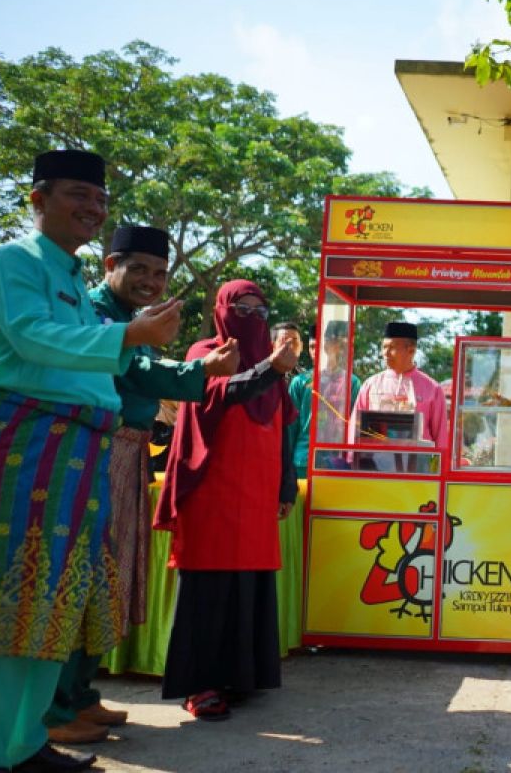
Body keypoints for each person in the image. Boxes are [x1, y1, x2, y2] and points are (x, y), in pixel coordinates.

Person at [0, 150, 181, 773]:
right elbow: (30, 338)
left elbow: (112, 363)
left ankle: (24, 744)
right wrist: (128, 338)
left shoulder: (69, 277)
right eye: (77, 195)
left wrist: (140, 346)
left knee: (55, 603)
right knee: (8, 602)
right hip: (29, 442)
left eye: (98, 199)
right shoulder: (15, 260)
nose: (92, 208)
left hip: (80, 451)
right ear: (37, 199)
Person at [34, 226, 243, 746]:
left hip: (126, 454)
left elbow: (149, 361)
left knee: (111, 576)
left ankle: (80, 694)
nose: (151, 281)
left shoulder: (129, 319)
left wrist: (201, 368)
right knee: (81, 575)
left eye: (160, 272)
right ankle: (55, 708)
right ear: (110, 266)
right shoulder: (98, 314)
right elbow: (142, 369)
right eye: (140, 270)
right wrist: (202, 369)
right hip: (94, 452)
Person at [154, 279, 298, 722]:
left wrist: (285, 483)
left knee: (248, 586)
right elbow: (220, 391)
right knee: (209, 588)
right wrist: (269, 371)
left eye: (260, 311)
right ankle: (200, 686)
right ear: (222, 309)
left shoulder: (272, 368)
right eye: (243, 308)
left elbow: (282, 430)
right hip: (212, 493)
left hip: (256, 496)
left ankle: (240, 677)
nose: (252, 317)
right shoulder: (204, 351)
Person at [350, 321, 447, 466]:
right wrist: (352, 462)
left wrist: (439, 470)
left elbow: (441, 436)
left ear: (411, 350)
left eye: (392, 347)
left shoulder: (432, 388)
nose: (385, 353)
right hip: (375, 468)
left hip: (418, 470)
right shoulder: (371, 385)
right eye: (384, 347)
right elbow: (354, 429)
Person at [287, 321, 361, 473]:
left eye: (322, 346)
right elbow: (290, 427)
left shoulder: (351, 383)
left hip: (337, 461)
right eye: (312, 347)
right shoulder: (300, 382)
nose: (316, 351)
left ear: (334, 347)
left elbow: (356, 427)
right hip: (303, 460)